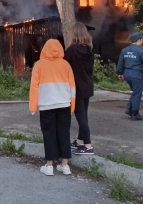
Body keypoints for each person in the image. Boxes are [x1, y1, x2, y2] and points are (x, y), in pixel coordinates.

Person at [29, 38, 76, 176]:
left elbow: (34, 87)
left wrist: (33, 107)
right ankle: (65, 165)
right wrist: (72, 107)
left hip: (46, 105)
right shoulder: (66, 65)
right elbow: (72, 87)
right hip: (64, 104)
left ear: (44, 49)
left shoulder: (39, 65)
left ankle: (49, 166)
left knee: (49, 133)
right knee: (64, 133)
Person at [64, 23, 95, 155]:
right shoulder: (89, 49)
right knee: (84, 115)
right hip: (87, 85)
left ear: (74, 34)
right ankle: (80, 141)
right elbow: (91, 69)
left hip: (76, 87)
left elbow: (65, 67)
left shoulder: (71, 50)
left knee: (80, 117)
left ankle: (88, 146)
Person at [117, 32, 143, 121]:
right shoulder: (140, 51)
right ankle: (135, 113)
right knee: (137, 93)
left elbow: (120, 63)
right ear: (139, 40)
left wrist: (120, 73)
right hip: (136, 74)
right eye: (141, 39)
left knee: (135, 91)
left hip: (127, 74)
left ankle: (129, 109)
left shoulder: (124, 50)